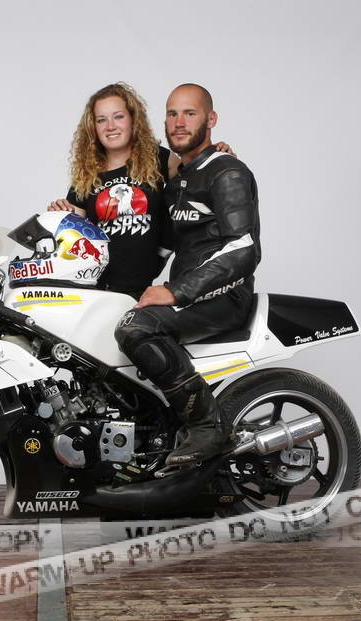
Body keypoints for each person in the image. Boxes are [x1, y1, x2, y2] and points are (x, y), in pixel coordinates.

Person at [114, 83, 261, 467]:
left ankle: (207, 425)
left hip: (224, 295)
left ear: (210, 120)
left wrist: (177, 292)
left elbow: (243, 248)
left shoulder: (227, 172)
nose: (179, 122)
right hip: (190, 294)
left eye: (189, 113)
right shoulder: (179, 179)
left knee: (135, 329)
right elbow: (160, 246)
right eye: (172, 113)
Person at [48, 82, 232, 299]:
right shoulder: (86, 175)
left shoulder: (158, 158)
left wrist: (216, 155)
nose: (110, 126)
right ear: (93, 127)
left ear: (133, 119)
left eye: (118, 117)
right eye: (101, 120)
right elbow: (71, 240)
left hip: (139, 290)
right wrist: (59, 217)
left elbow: (198, 175)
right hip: (94, 290)